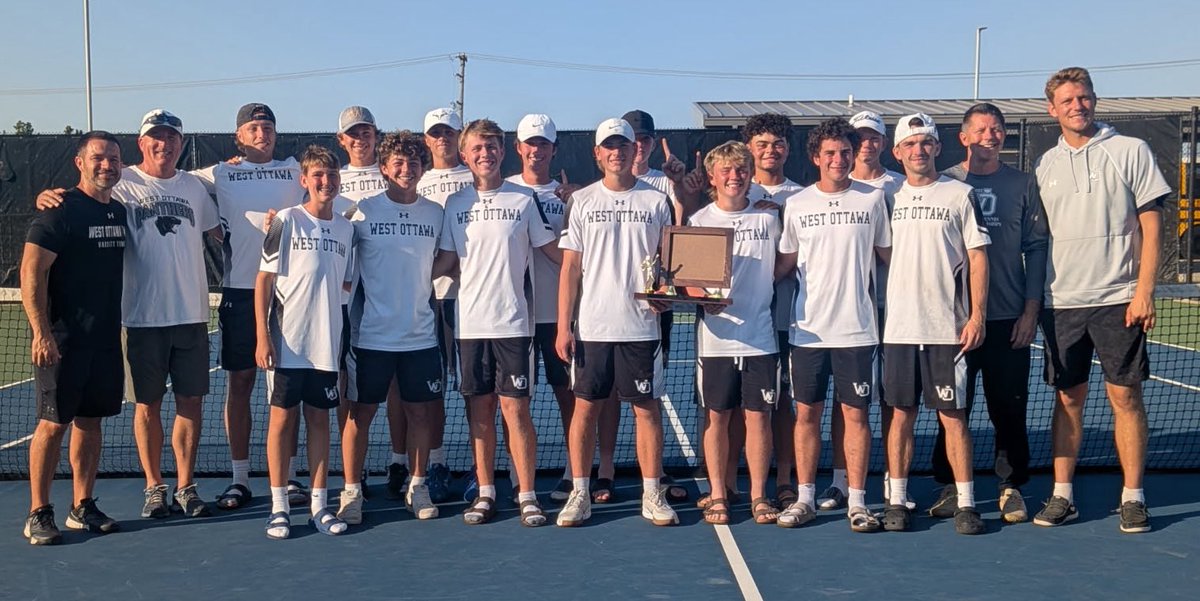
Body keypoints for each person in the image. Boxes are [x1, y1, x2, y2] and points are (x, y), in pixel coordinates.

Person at [33, 110, 223, 520]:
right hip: (139, 319)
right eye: (156, 137)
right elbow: (82, 196)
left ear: (180, 143)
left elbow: (218, 232)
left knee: (191, 404)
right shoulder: (122, 183)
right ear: (142, 143)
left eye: (172, 137)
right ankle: (155, 487)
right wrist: (47, 196)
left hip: (191, 317)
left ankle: (186, 486)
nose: (164, 143)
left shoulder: (194, 187)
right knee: (147, 407)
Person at [1033, 67, 1169, 533]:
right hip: (1062, 303)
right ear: (1052, 110)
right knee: (1067, 399)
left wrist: (1143, 290)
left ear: (1095, 101)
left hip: (1119, 300)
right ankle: (1062, 496)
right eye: (1068, 100)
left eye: (1084, 98)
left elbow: (1151, 223)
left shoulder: (1130, 150)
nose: (1078, 106)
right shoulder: (1044, 165)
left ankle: (1133, 497)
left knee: (1125, 397)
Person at [433, 118, 559, 526]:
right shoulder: (455, 205)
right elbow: (447, 263)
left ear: (503, 153)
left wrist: (608, 267)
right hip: (469, 327)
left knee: (516, 411)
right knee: (479, 413)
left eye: (492, 147)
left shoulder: (523, 200)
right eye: (477, 148)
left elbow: (555, 252)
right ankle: (485, 493)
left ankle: (527, 494)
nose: (485, 154)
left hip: (514, 326)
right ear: (465, 155)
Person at [555, 117, 678, 527]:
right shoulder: (584, 201)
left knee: (647, 411)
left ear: (633, 151)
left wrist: (666, 294)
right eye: (609, 146)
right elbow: (571, 268)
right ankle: (579, 493)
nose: (617, 152)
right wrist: (562, 326)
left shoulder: (656, 201)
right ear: (598, 154)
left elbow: (671, 263)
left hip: (642, 329)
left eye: (623, 145)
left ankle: (651, 494)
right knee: (585, 411)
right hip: (592, 328)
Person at [928, 103, 1048, 525]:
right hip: (952, 322)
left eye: (996, 129)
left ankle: (1010, 487)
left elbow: (1036, 248)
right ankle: (950, 484)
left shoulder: (1022, 183)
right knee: (952, 408)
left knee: (1008, 408)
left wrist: (1030, 310)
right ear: (964, 137)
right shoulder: (944, 183)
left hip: (1007, 319)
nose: (990, 136)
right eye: (980, 129)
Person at [774, 119, 890, 532]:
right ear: (815, 158)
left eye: (844, 152)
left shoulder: (873, 201)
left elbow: (891, 257)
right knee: (806, 417)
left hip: (858, 332)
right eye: (830, 153)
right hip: (807, 332)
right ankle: (805, 498)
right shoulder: (798, 204)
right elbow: (782, 265)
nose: (838, 160)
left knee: (856, 417)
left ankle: (858, 502)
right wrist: (718, 281)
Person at [193, 103, 308, 511]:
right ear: (238, 135)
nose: (262, 133)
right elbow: (160, 180)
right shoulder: (220, 173)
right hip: (241, 292)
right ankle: (239, 478)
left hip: (291, 294)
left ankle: (290, 476)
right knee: (240, 384)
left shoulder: (297, 170)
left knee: (285, 389)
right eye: (253, 127)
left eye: (268, 127)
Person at [881, 113, 990, 535]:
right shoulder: (888, 197)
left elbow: (978, 258)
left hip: (948, 329)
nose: (919, 150)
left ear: (938, 148)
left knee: (953, 418)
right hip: (899, 331)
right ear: (898, 153)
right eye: (910, 144)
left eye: (926, 142)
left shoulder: (960, 194)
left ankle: (966, 503)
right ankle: (896, 500)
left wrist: (976, 315)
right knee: (900, 416)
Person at [21, 131, 127, 544]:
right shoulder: (58, 211)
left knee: (90, 421)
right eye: (99, 158)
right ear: (79, 162)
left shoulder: (118, 211)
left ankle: (82, 506)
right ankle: (38, 511)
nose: (107, 165)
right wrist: (41, 332)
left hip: (104, 341)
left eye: (115, 159)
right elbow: (32, 271)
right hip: (61, 341)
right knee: (52, 424)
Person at [338, 131, 445, 523]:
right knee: (359, 415)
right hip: (371, 337)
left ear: (423, 167)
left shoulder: (435, 213)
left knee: (421, 415)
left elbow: (447, 259)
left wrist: (419, 280)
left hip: (419, 336)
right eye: (398, 162)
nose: (406, 169)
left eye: (414, 162)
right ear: (384, 168)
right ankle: (351, 492)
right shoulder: (362, 211)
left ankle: (417, 487)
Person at [255, 145, 353, 539]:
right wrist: (263, 336)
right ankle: (279, 507)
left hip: (327, 346)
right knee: (281, 422)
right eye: (317, 176)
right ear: (304, 181)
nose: (325, 182)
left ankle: (318, 505)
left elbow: (345, 282)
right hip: (287, 343)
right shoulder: (287, 221)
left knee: (320, 422)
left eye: (331, 176)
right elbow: (263, 280)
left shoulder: (348, 229)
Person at [689, 141, 781, 526]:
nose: (734, 176)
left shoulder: (770, 220)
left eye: (741, 169)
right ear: (712, 177)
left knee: (759, 418)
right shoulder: (698, 222)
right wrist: (701, 299)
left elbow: (787, 264)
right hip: (716, 340)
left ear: (750, 174)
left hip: (761, 337)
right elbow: (690, 282)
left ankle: (759, 495)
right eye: (726, 170)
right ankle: (718, 493)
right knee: (718, 418)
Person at [831, 110, 912, 512]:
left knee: (890, 396)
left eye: (874, 137)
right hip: (848, 312)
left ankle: (888, 475)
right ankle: (840, 479)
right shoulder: (833, 187)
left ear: (884, 143)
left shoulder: (900, 186)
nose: (867, 143)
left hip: (894, 307)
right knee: (847, 399)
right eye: (859, 137)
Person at [505, 113, 577, 502]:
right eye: (530, 143)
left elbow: (572, 255)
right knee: (514, 399)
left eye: (544, 144)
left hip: (555, 315)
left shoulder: (571, 196)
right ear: (518, 148)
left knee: (567, 393)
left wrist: (572, 205)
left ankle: (572, 469)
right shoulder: (503, 191)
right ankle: (520, 476)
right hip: (512, 317)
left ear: (554, 149)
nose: (536, 150)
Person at [742, 113, 803, 511]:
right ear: (750, 148)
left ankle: (784, 480)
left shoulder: (802, 196)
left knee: (782, 402)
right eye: (762, 143)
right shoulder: (731, 190)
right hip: (740, 320)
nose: (770, 150)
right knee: (732, 406)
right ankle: (732, 481)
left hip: (790, 318)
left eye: (778, 143)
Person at [414, 107, 473, 503]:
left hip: (470, 302)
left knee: (472, 389)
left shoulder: (476, 178)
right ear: (427, 140)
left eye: (449, 132)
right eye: (435, 133)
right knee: (430, 390)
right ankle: (436, 463)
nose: (442, 139)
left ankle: (476, 466)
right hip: (424, 301)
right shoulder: (416, 180)